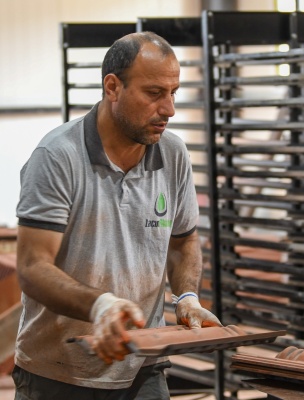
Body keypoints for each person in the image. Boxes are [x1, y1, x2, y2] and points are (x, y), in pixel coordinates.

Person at [12, 31, 221, 399]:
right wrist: (101, 305)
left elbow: (183, 237)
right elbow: (32, 267)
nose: (169, 109)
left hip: (143, 365)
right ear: (112, 87)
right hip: (60, 372)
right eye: (154, 93)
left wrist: (186, 296)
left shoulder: (172, 154)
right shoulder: (58, 157)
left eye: (173, 92)